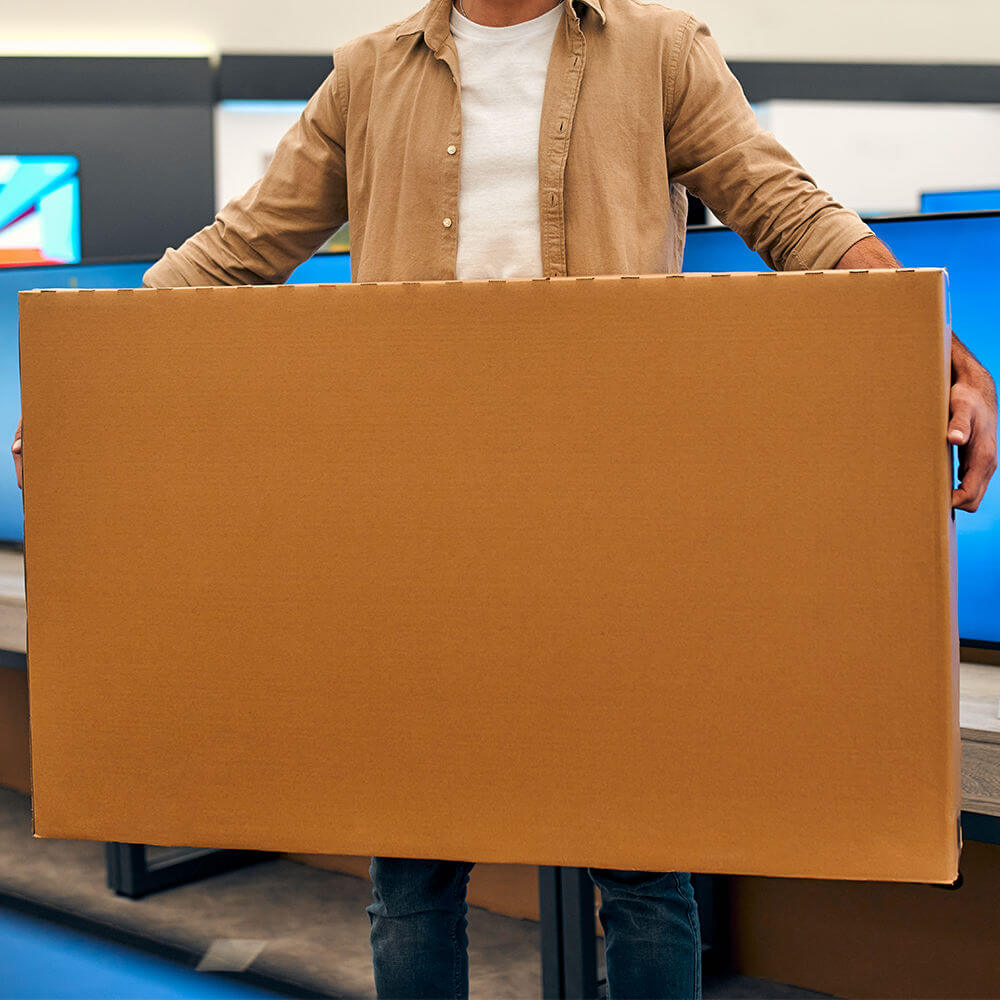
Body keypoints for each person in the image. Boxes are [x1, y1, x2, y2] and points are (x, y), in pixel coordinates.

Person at [11, 0, 998, 996]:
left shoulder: (657, 49)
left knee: (645, 869)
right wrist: (78, 384)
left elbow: (784, 208)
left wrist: (921, 339)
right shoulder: (369, 69)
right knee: (411, 874)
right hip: (414, 523)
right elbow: (241, 249)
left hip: (605, 519)